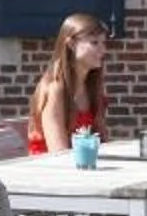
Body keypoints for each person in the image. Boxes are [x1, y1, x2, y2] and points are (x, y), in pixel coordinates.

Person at [26, 12, 110, 155]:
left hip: (83, 167)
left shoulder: (91, 87)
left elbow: (102, 143)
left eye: (103, 43)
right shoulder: (55, 89)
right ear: (71, 44)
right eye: (94, 43)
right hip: (49, 171)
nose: (103, 50)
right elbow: (59, 153)